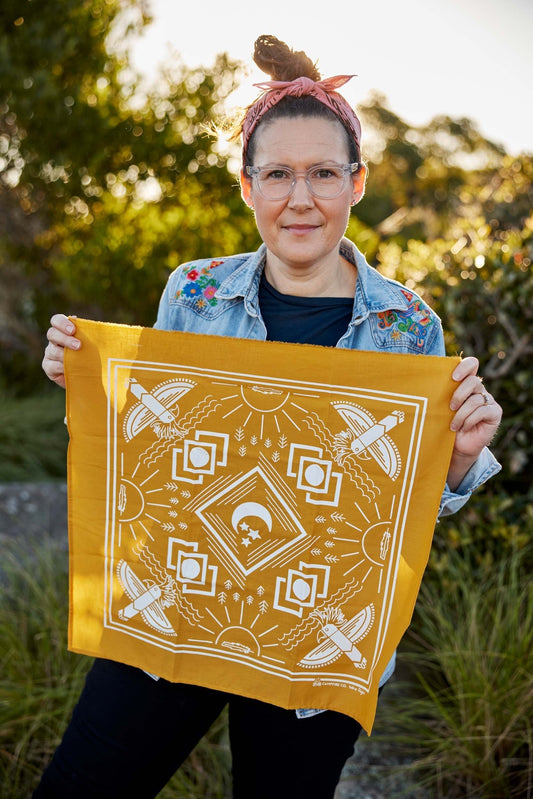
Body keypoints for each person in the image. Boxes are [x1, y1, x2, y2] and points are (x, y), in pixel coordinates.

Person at [37, 34, 502, 799]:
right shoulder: (192, 292)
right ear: (246, 185)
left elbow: (396, 510)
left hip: (313, 639)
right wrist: (86, 381)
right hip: (176, 607)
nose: (300, 197)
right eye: (278, 173)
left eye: (322, 173)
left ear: (356, 184)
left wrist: (456, 459)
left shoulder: (405, 326)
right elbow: (155, 441)